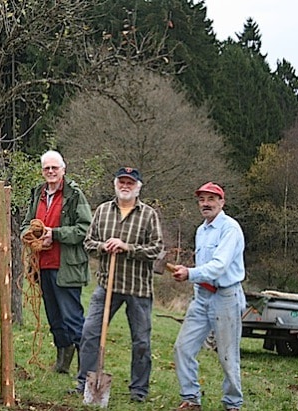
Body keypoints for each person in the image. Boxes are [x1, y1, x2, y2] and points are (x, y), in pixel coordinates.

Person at [74, 166, 163, 402]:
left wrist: (128, 248)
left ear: (138, 187)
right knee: (90, 333)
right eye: (121, 182)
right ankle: (85, 382)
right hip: (107, 287)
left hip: (138, 289)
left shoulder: (149, 215)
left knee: (141, 341)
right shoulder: (103, 211)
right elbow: (88, 243)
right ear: (115, 184)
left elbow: (157, 249)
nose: (125, 186)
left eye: (130, 183)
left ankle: (139, 391)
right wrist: (103, 246)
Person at [171, 182, 245, 411]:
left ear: (221, 202)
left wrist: (189, 273)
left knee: (227, 355)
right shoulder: (201, 231)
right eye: (202, 199)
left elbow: (219, 266)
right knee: (182, 348)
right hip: (201, 297)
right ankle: (191, 399)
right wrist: (194, 281)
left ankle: (232, 404)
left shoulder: (230, 229)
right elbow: (204, 265)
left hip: (226, 297)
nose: (206, 204)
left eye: (211, 199)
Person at [20, 150, 92, 374]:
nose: (50, 172)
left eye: (54, 168)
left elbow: (85, 229)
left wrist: (56, 234)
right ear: (42, 171)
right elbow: (25, 223)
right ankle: (63, 361)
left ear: (63, 169)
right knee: (54, 317)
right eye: (46, 168)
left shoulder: (74, 195)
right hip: (41, 266)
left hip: (66, 266)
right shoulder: (37, 193)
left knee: (72, 317)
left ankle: (86, 367)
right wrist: (29, 235)